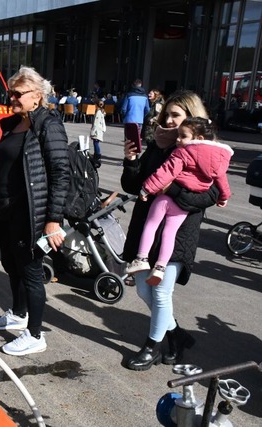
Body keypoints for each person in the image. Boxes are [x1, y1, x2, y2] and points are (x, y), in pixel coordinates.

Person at [121, 90, 220, 371]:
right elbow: (134, 186)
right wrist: (131, 161)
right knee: (143, 289)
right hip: (147, 228)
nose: (168, 120)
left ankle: (151, 348)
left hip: (178, 232)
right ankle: (176, 335)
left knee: (161, 292)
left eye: (175, 115)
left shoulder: (206, 150)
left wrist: (171, 189)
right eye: (166, 114)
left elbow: (209, 196)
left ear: (192, 118)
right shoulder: (158, 145)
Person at [0, 66, 70, 356]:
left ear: (37, 96)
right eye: (11, 93)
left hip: (30, 215)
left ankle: (35, 335)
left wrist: (53, 220)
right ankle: (18, 315)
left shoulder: (48, 124)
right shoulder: (14, 124)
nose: (12, 98)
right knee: (12, 265)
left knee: (31, 272)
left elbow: (60, 172)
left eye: (18, 94)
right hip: (6, 213)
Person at [126, 117, 233, 285]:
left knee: (151, 224)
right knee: (170, 232)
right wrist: (224, 196)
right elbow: (221, 180)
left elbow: (166, 172)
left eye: (183, 136)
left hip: (165, 198)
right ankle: (161, 267)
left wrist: (147, 188)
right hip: (182, 206)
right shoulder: (218, 158)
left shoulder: (183, 152)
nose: (178, 139)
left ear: (198, 139)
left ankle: (142, 258)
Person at [90, 99, 107, 167]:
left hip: (97, 130)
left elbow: (96, 123)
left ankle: (97, 154)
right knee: (96, 142)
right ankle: (96, 154)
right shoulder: (102, 111)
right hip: (100, 129)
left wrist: (93, 130)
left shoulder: (98, 112)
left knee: (96, 142)